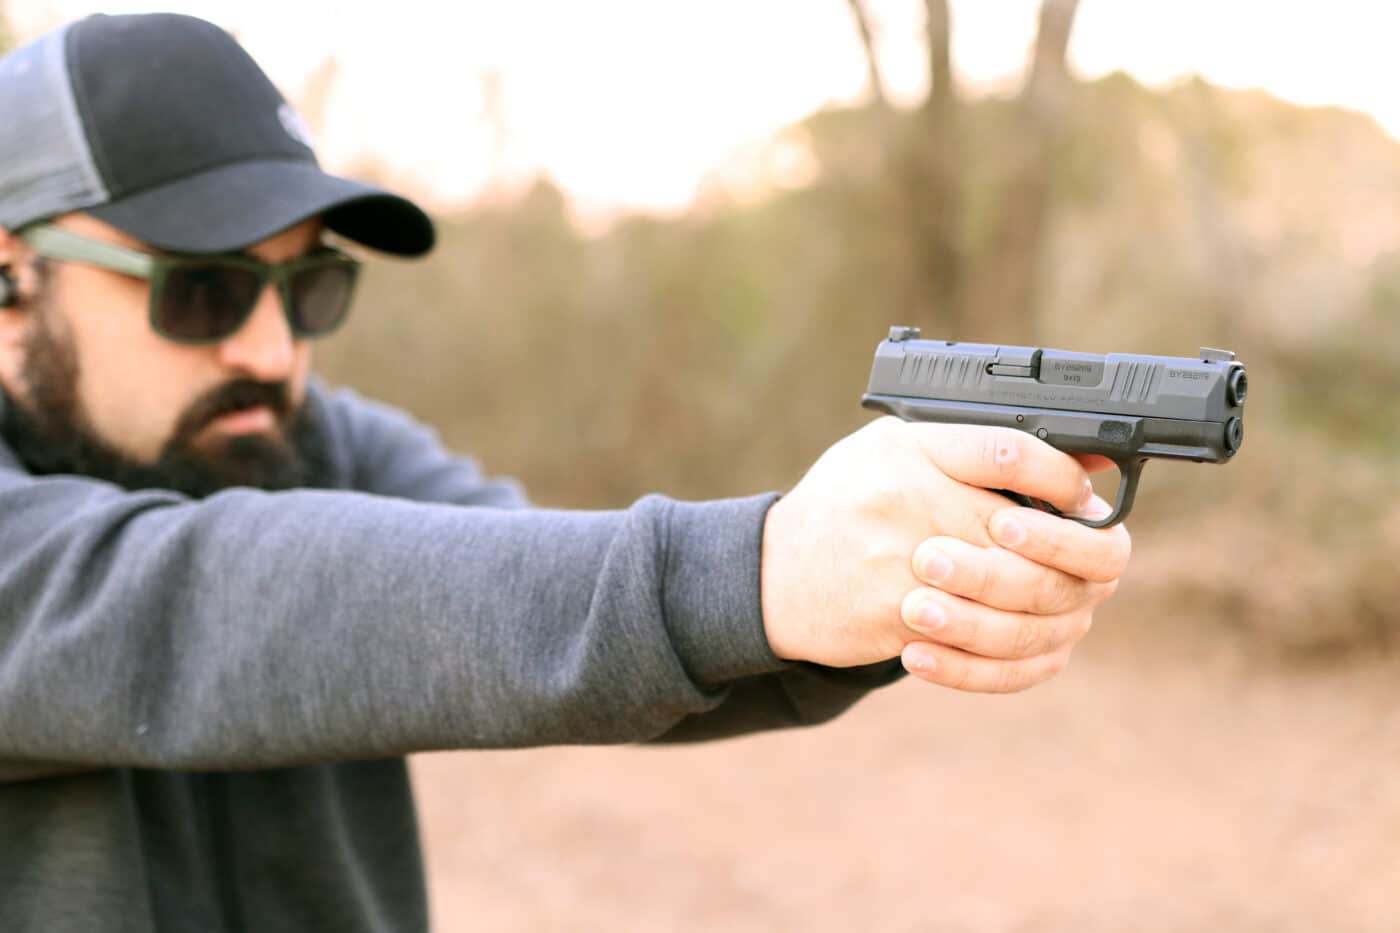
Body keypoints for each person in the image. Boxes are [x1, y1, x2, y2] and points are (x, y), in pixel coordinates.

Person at [0, 12, 1130, 933]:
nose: (272, 349)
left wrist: (884, 572)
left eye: (308, 290)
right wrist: (758, 567)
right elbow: (199, 598)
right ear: (13, 287)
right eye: (199, 289)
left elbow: (551, 625)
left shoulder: (292, 438)